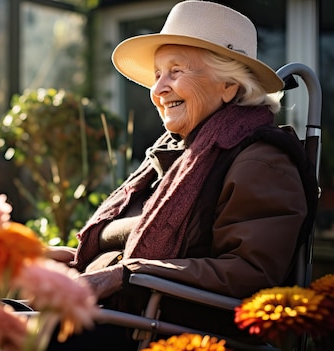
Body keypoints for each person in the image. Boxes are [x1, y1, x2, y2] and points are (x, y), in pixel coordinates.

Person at [46, 1, 319, 349]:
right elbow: (137, 252)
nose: (158, 89)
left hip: (166, 334)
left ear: (229, 86)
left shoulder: (262, 160)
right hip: (118, 315)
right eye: (157, 74)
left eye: (176, 71)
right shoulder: (174, 156)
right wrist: (72, 259)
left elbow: (250, 274)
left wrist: (125, 276)